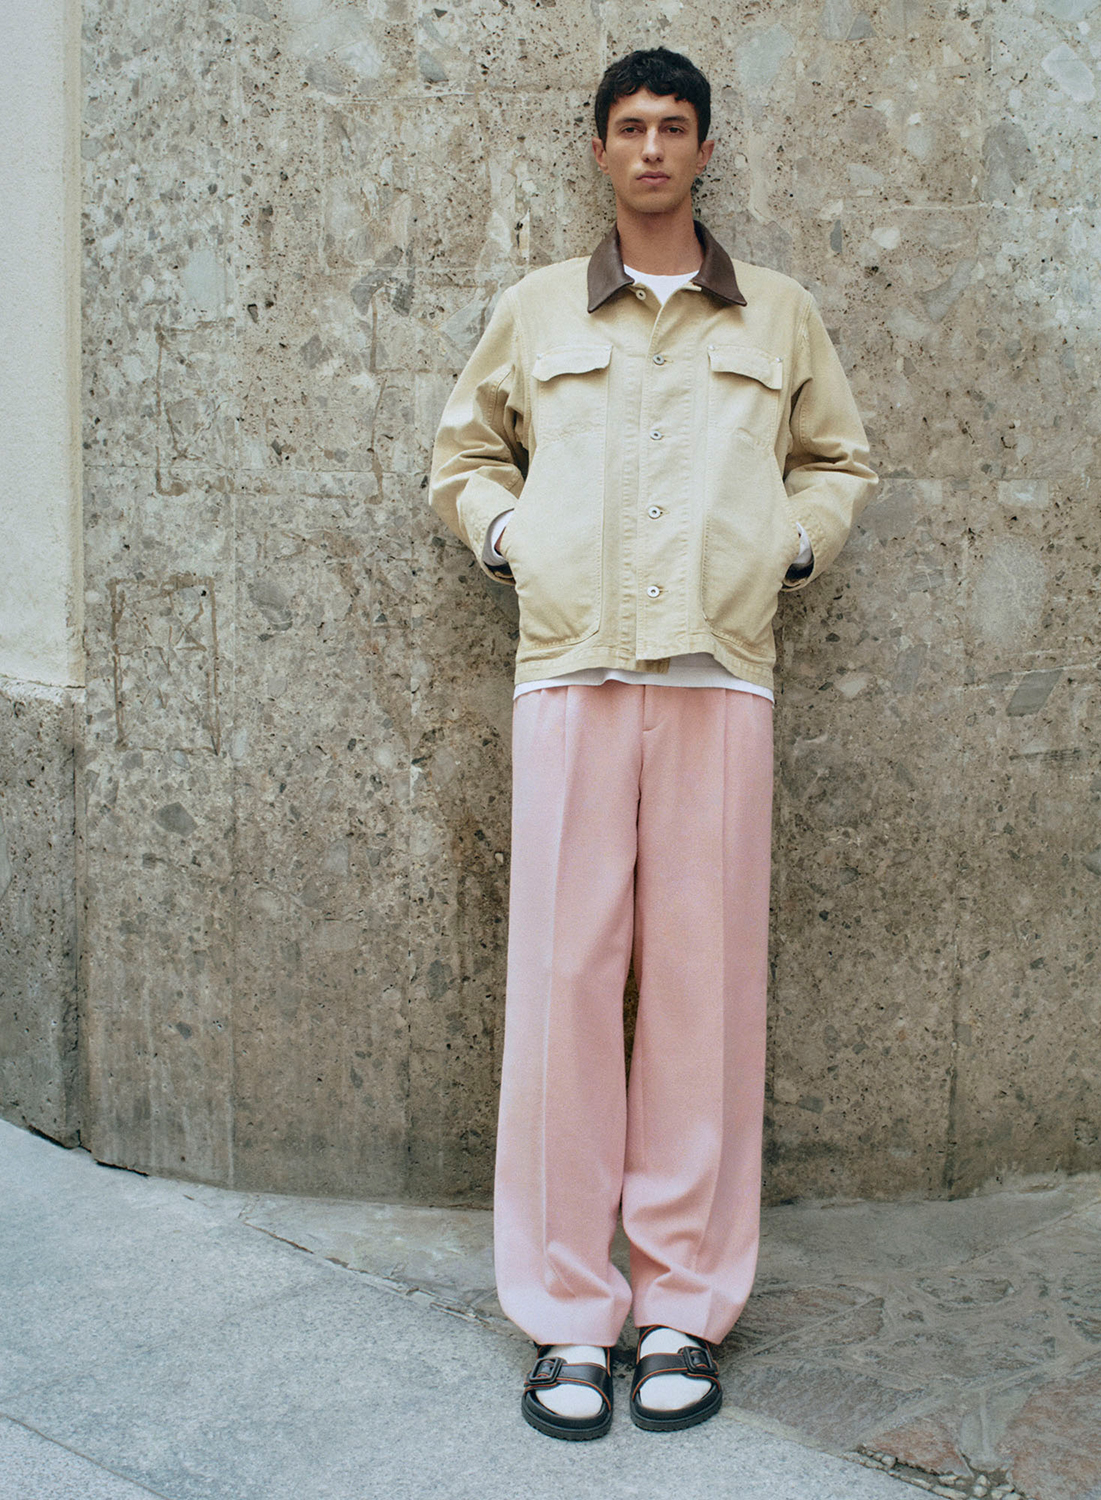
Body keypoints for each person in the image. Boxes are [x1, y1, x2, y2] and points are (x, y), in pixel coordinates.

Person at [429, 47, 876, 1440]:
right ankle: (569, 1314)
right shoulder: (536, 309)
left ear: (702, 150)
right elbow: (464, 456)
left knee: (702, 994)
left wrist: (786, 552)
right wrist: (513, 539)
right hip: (571, 670)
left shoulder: (778, 314)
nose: (649, 148)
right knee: (563, 989)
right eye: (628, 126)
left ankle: (681, 1305)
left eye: (672, 127)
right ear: (599, 148)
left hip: (718, 677)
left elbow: (838, 462)